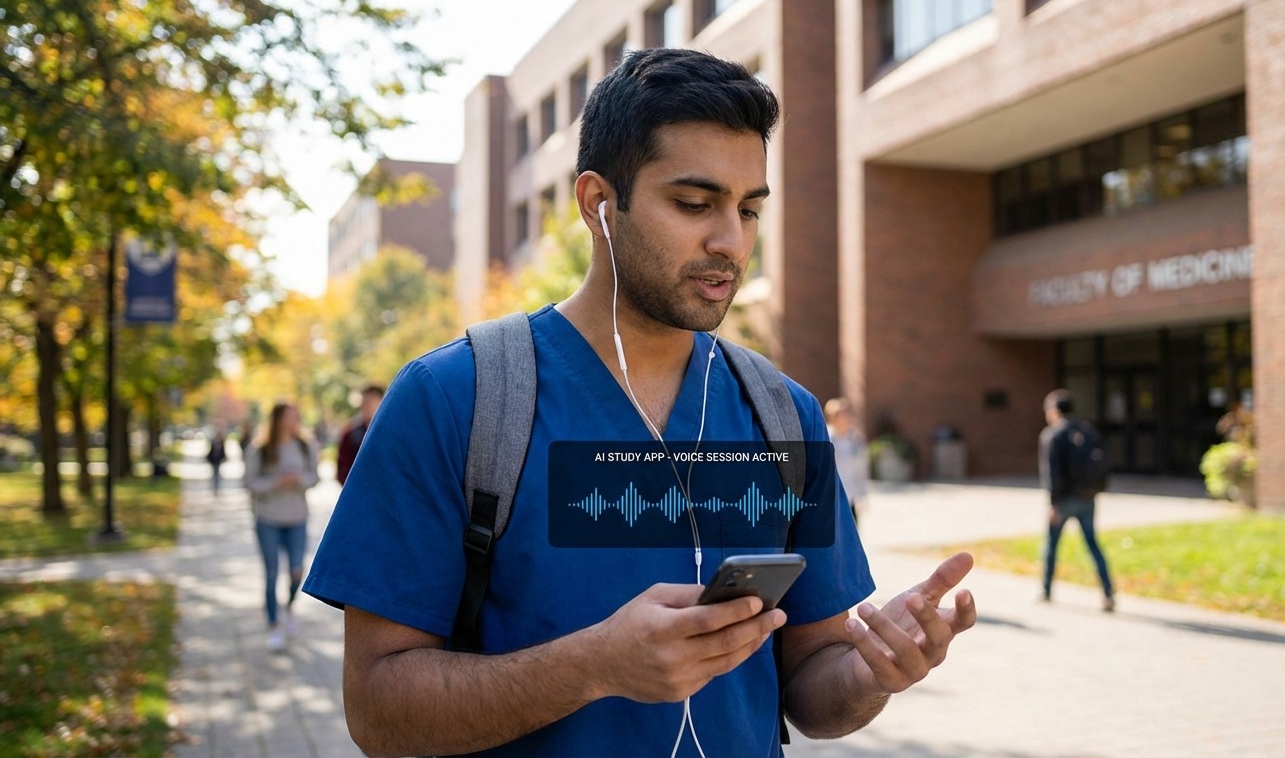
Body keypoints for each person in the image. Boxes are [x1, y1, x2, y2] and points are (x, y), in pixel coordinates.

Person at [303, 48, 977, 758]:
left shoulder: (784, 414)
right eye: (694, 204)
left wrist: (873, 671)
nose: (730, 241)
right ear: (599, 203)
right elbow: (378, 711)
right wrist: (593, 667)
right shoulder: (453, 399)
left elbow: (814, 690)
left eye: (749, 210)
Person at [245, 402, 320, 651]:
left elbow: (315, 477)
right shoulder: (261, 448)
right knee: (271, 573)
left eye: (296, 416)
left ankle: (288, 607)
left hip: (297, 517)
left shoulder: (304, 445)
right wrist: (276, 482)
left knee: (297, 570)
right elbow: (250, 482)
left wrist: (298, 480)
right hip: (268, 518)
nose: (293, 421)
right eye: (289, 416)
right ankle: (273, 624)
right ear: (277, 420)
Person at [1037, 389, 1116, 612]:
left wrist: (1053, 504)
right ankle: (1108, 592)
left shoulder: (1052, 435)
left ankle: (1046, 590)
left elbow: (1051, 474)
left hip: (1063, 500)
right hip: (1087, 497)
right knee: (1092, 544)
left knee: (1052, 545)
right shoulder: (1087, 430)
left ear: (1053, 411)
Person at [824, 397, 869, 524]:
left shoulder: (856, 440)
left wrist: (862, 495)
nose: (844, 417)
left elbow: (862, 469)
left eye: (846, 413)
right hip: (830, 499)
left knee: (851, 538)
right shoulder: (825, 438)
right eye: (839, 414)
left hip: (850, 497)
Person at [335, 384, 384, 486]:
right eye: (364, 402)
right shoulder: (350, 433)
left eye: (371, 402)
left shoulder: (390, 432)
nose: (367, 406)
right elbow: (341, 466)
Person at [206, 426, 228, 493]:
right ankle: (214, 486)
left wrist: (224, 457)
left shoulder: (222, 442)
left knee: (217, 473)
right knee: (214, 473)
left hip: (218, 460)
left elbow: (223, 451)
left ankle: (217, 486)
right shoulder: (213, 441)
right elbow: (211, 450)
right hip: (213, 459)